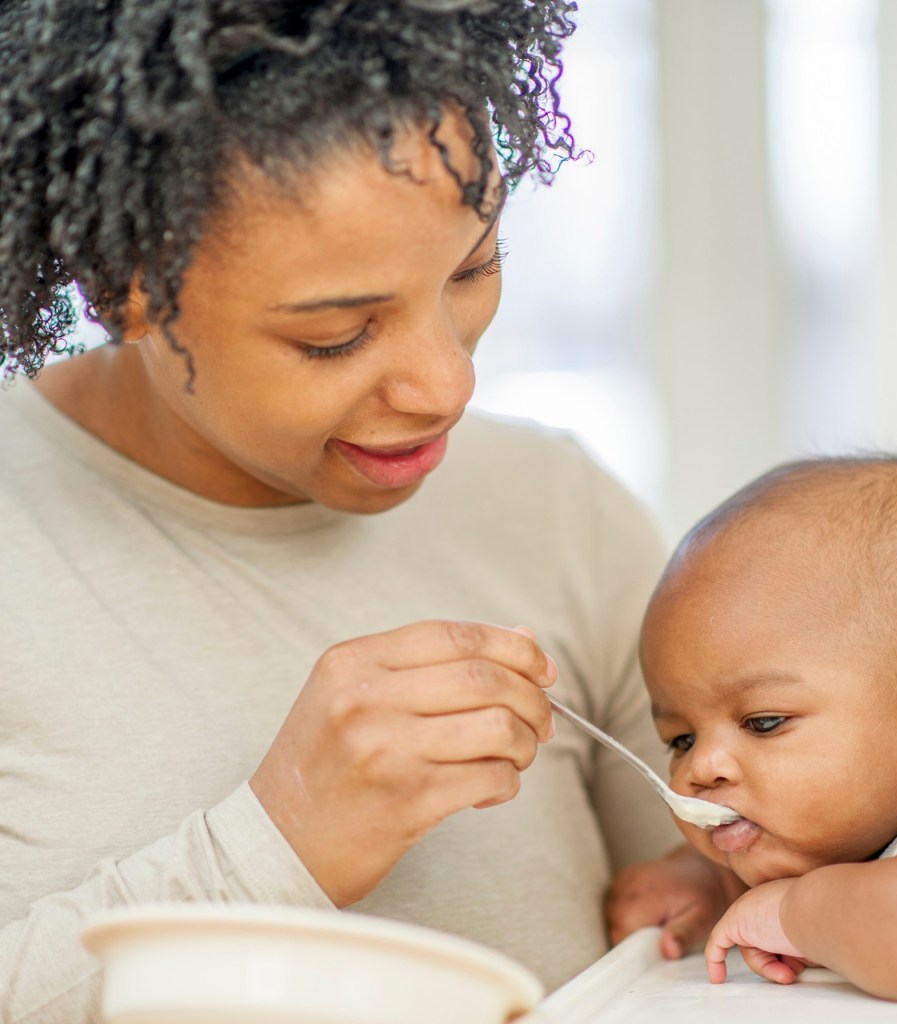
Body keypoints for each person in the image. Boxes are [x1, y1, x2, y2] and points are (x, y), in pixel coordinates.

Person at [0, 2, 731, 1020]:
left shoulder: (562, 510)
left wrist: (734, 882)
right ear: (125, 280)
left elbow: (750, 876)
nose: (446, 387)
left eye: (473, 271)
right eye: (335, 336)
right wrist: (277, 844)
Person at [639, 454, 897, 1005]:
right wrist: (701, 883)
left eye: (763, 722)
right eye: (681, 739)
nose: (700, 767)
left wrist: (795, 912)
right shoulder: (822, 833)